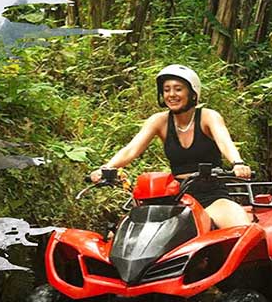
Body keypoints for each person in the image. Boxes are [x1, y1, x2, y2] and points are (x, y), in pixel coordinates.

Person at [90, 64, 252, 228]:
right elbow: (131, 149)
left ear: (192, 93)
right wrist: (106, 168)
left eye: (178, 89)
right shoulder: (159, 121)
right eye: (166, 90)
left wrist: (237, 163)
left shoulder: (208, 117)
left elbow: (225, 141)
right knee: (123, 232)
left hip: (211, 193)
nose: (171, 94)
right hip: (176, 196)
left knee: (242, 229)